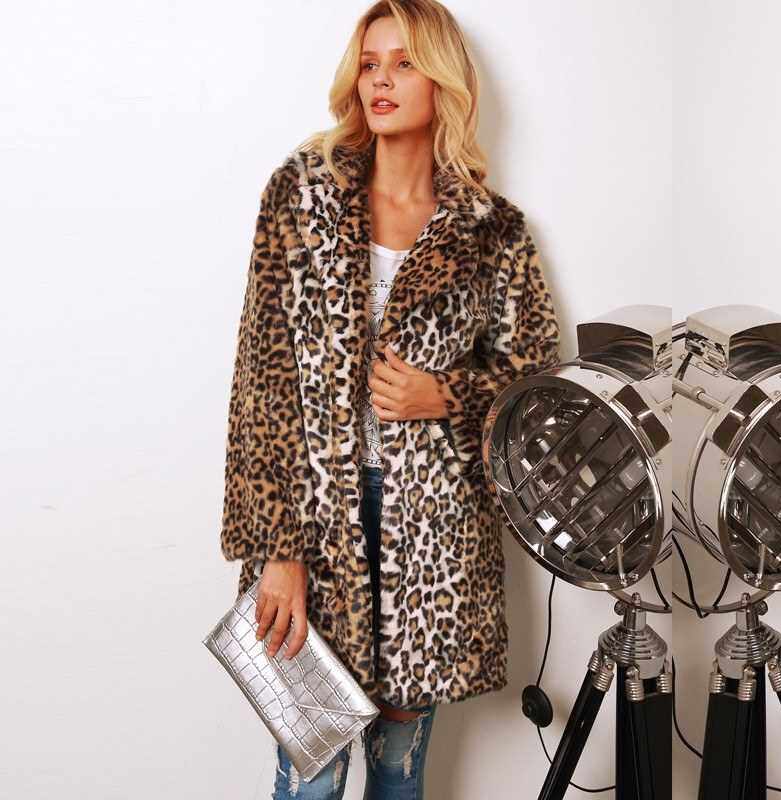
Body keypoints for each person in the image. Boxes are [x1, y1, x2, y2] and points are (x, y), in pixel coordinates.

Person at [218, 1, 561, 797]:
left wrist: (448, 394)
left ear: (442, 81)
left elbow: (539, 395)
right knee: (310, 766)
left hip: (435, 530)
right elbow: (261, 384)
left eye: (405, 63)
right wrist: (278, 551)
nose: (382, 80)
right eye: (371, 64)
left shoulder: (491, 231)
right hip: (313, 519)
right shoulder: (300, 196)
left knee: (401, 767)